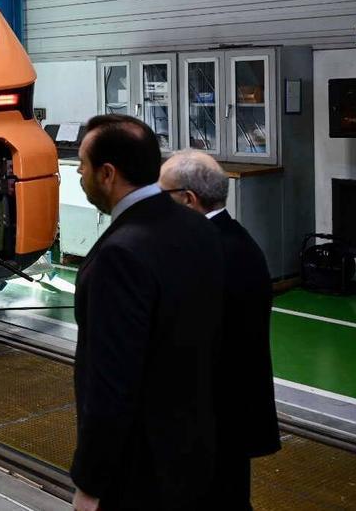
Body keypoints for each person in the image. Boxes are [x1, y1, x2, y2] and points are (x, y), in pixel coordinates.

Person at [71, 114, 225, 511]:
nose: (79, 175)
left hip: (139, 469)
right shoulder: (199, 227)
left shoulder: (119, 254)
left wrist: (90, 483)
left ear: (108, 174)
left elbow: (112, 382)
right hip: (196, 454)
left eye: (83, 166)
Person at [160, 150, 281, 509]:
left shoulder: (212, 252)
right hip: (222, 416)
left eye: (162, 195)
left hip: (214, 420)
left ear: (188, 199)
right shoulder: (231, 240)